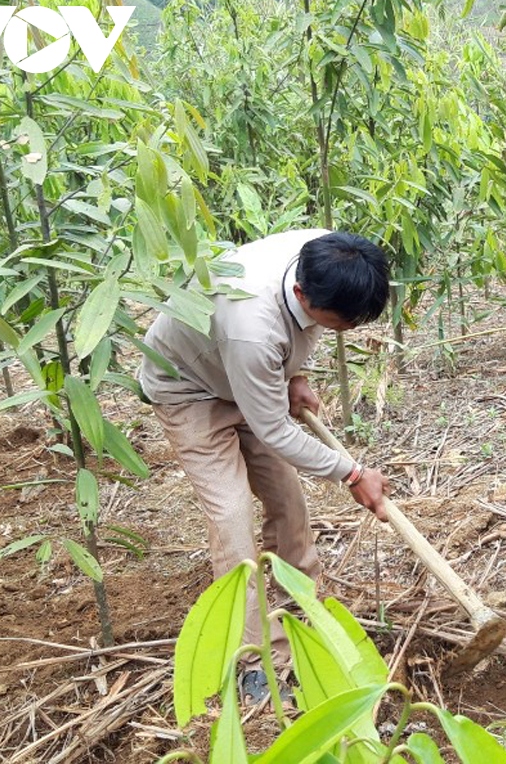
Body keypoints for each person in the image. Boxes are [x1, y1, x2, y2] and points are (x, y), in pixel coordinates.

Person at [138, 229, 392, 702]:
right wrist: (352, 474)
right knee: (233, 519)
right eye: (341, 323)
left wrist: (293, 372)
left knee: (288, 501)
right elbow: (275, 430)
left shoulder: (328, 253)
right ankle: (255, 660)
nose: (347, 330)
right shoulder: (252, 328)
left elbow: (298, 340)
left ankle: (304, 614)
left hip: (250, 378)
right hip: (189, 388)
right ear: (301, 294)